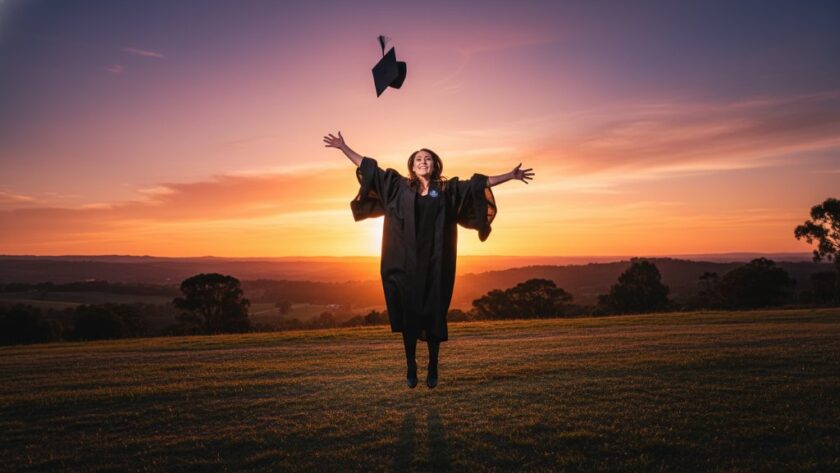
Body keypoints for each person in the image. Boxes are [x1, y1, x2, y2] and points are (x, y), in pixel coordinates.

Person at [323, 131, 534, 389]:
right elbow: (369, 168)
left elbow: (478, 184)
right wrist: (344, 147)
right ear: (411, 166)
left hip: (436, 265)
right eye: (418, 159)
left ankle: (433, 365)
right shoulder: (397, 186)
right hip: (403, 265)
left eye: (428, 159)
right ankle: (411, 365)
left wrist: (510, 176)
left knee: (434, 314)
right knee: (409, 317)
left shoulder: (447, 190)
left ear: (435, 165)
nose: (423, 162)